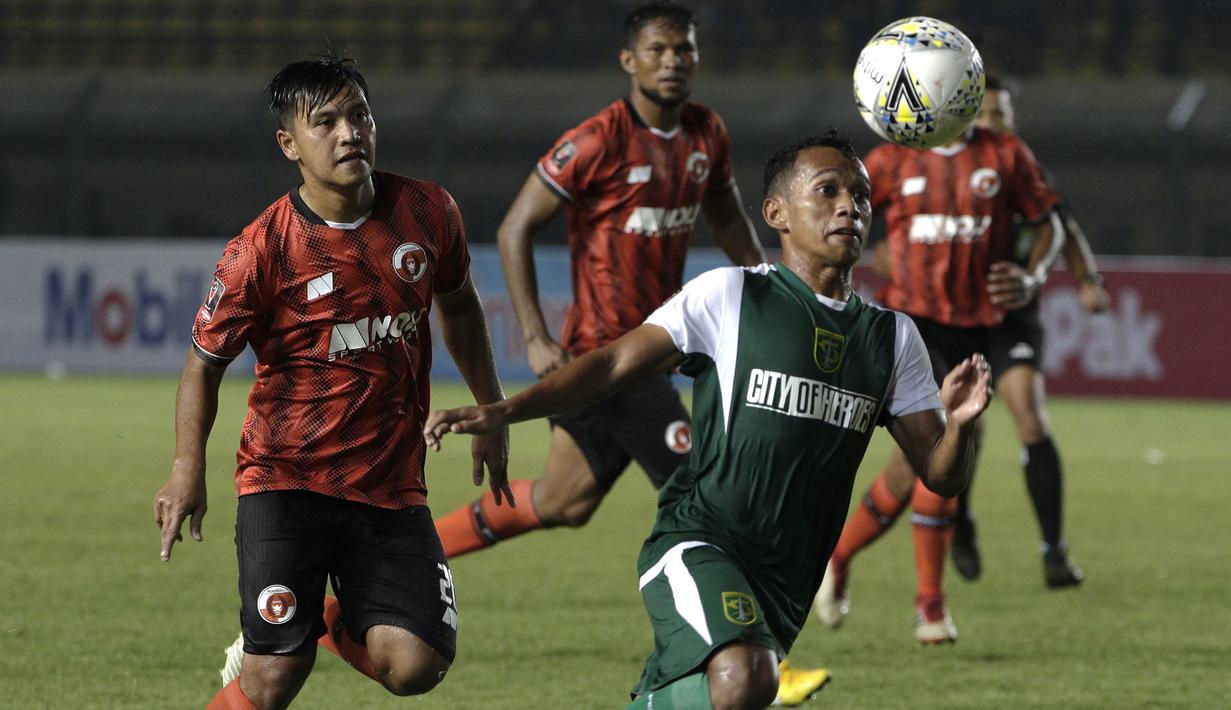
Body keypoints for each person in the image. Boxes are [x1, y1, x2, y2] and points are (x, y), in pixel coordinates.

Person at [423, 131, 992, 710]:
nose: (849, 206)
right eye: (828, 191)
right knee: (747, 677)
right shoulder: (732, 295)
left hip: (789, 577)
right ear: (777, 214)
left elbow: (941, 476)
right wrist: (507, 409)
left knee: (735, 691)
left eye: (860, 196)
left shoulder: (893, 338)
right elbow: (615, 363)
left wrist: (963, 423)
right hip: (700, 541)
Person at [430, 3, 833, 704]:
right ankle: (755, 649)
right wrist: (534, 334)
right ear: (629, 61)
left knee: (562, 500)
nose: (673, 61)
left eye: (685, 49)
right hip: (608, 359)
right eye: (659, 49)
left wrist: (776, 291)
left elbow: (726, 217)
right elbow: (516, 225)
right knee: (709, 489)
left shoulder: (706, 133)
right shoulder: (595, 140)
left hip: (653, 353)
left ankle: (412, 551)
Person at [152, 54, 511, 710]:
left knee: (416, 666)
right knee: (271, 679)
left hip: (388, 484)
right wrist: (186, 468)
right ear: (288, 144)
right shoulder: (261, 249)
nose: (349, 133)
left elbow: (459, 306)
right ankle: (282, 641)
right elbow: (204, 363)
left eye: (359, 116)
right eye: (325, 123)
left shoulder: (428, 212)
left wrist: (492, 409)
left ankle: (320, 622)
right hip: (286, 481)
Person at [813, 84, 1065, 644]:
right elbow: (835, 216)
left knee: (912, 471)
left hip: (985, 325)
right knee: (937, 448)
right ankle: (930, 605)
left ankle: (838, 557)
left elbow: (1051, 223)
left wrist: (1032, 275)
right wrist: (861, 251)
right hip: (914, 326)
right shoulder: (889, 159)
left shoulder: (1005, 153)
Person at [948, 75, 1110, 586]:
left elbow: (1061, 226)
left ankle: (1053, 550)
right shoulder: (945, 168)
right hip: (951, 317)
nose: (993, 123)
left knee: (1031, 418)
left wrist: (1084, 281)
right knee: (964, 428)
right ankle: (960, 523)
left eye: (1002, 115)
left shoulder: (1022, 167)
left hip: (1010, 317)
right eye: (983, 114)